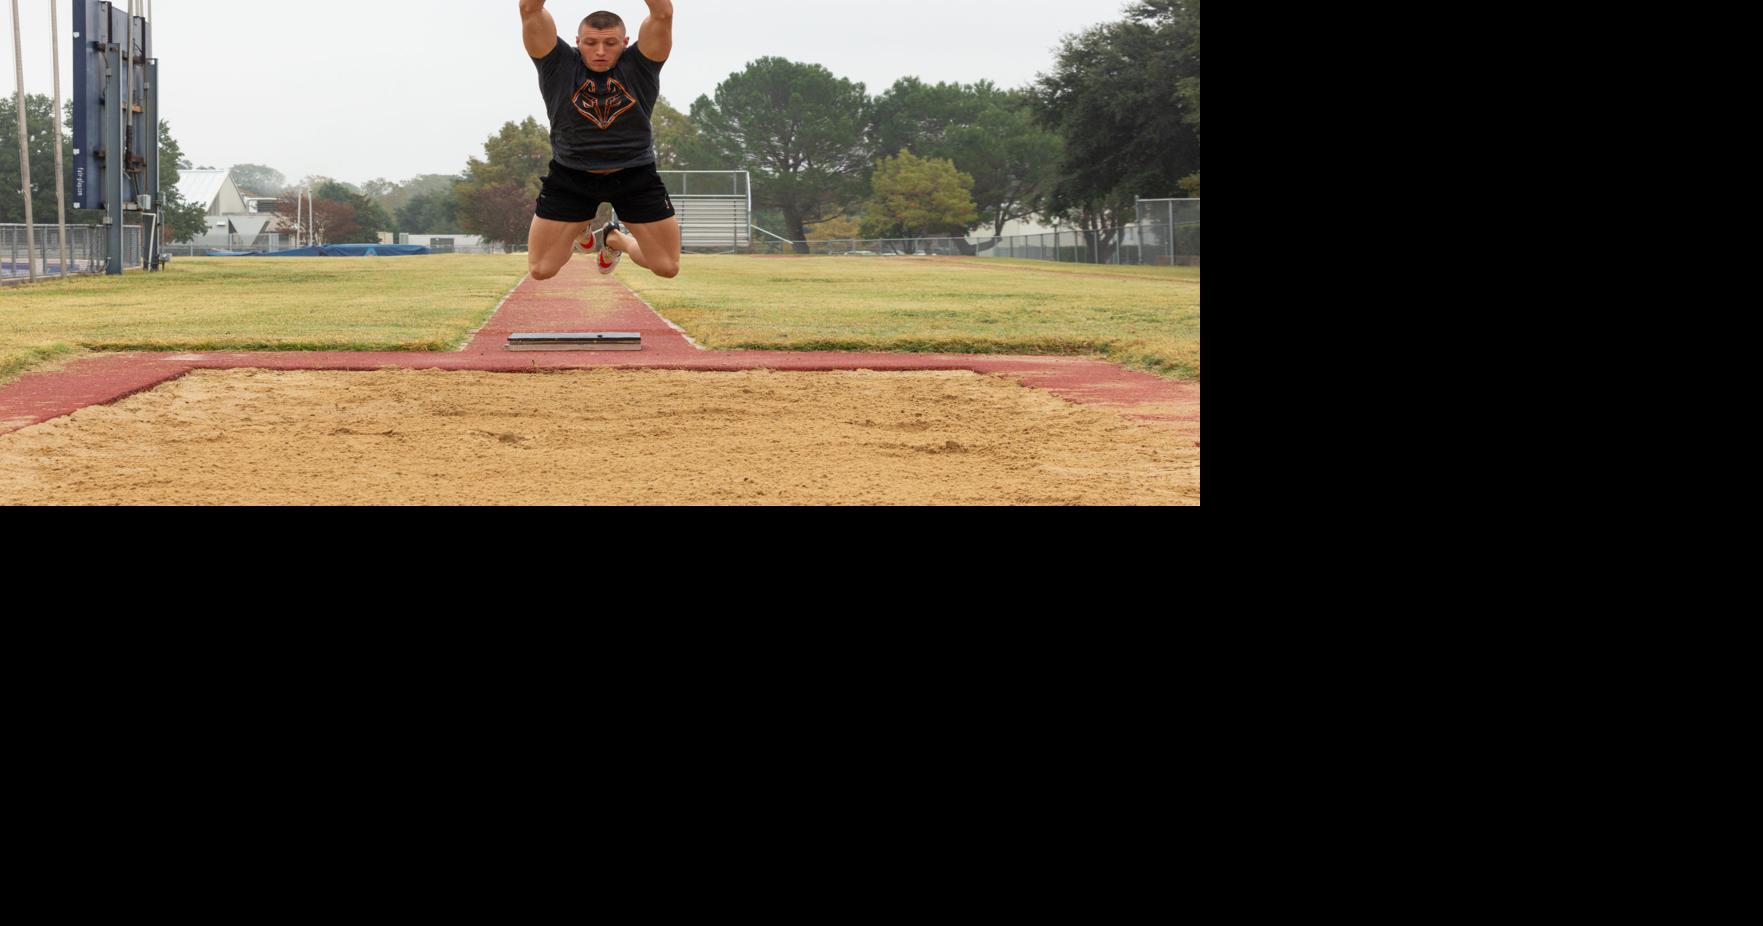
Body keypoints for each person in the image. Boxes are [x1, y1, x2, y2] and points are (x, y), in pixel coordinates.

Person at [519, 1, 680, 281]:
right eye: (591, 43)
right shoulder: (557, 63)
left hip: (634, 174)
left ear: (626, 42)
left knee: (667, 266)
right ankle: (580, 226)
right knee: (541, 269)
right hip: (572, 177)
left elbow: (662, 14)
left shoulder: (641, 64)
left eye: (611, 43)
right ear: (578, 41)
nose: (601, 51)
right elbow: (530, 10)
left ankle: (615, 240)